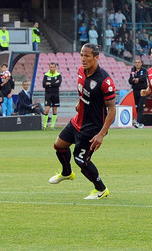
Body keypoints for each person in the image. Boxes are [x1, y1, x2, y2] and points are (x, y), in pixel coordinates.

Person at [48, 43, 116, 200]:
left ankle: (101, 189)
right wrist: (80, 103)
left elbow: (112, 109)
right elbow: (84, 92)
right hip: (78, 121)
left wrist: (102, 134)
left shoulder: (104, 80)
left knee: (81, 159)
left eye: (87, 56)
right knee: (59, 145)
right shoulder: (80, 71)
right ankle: (66, 173)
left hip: (93, 127)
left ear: (96, 57)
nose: (83, 59)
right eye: (81, 55)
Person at [128, 58, 148, 128]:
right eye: (136, 62)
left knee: (140, 106)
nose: (137, 64)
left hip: (142, 90)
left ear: (141, 63)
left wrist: (138, 79)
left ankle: (138, 122)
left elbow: (144, 78)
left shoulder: (144, 70)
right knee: (137, 106)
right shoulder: (133, 70)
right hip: (135, 90)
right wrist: (134, 80)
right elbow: (130, 80)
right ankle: (140, 122)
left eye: (138, 62)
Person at [42, 62, 62, 130]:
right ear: (49, 67)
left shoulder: (58, 75)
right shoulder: (46, 75)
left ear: (55, 67)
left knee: (54, 109)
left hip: (55, 94)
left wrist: (49, 84)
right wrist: (54, 83)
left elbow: (58, 84)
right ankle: (44, 126)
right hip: (48, 95)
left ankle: (52, 126)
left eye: (53, 67)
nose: (52, 68)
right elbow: (44, 85)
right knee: (46, 110)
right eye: (50, 67)